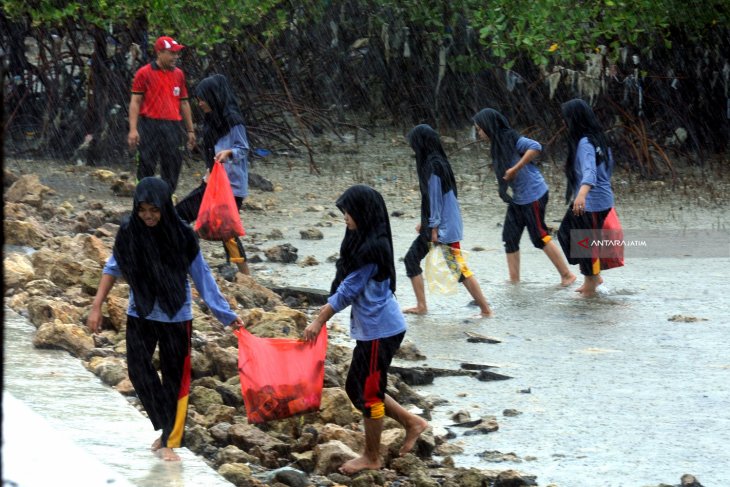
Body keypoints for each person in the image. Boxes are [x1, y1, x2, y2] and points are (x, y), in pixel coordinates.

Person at [87, 177, 244, 462]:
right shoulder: (129, 233)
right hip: (141, 311)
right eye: (142, 209)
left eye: (154, 210)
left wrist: (226, 315)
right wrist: (96, 305)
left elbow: (203, 277)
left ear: (165, 208)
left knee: (175, 379)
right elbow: (112, 268)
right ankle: (166, 424)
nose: (148, 216)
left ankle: (171, 439)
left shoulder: (182, 236)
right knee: (137, 370)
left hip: (176, 315)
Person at [303, 185, 429, 475]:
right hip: (373, 329)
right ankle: (412, 422)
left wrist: (320, 319)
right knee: (356, 387)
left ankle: (372, 456)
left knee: (369, 393)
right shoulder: (362, 239)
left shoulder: (375, 247)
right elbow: (344, 277)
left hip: (381, 331)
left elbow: (349, 290)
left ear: (364, 212)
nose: (345, 217)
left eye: (349, 211)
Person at [473, 108, 575, 286]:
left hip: (534, 194)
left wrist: (515, 168)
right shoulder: (497, 144)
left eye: (480, 129)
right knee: (509, 237)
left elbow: (535, 147)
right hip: (520, 198)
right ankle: (514, 281)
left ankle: (567, 275)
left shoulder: (510, 137)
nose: (479, 133)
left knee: (539, 236)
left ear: (488, 126)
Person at [402, 124, 492, 317]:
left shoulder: (433, 164)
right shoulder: (436, 160)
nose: (412, 146)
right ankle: (421, 306)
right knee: (412, 259)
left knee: (458, 268)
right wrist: (425, 222)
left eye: (413, 143)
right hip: (439, 223)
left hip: (444, 226)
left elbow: (435, 196)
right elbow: (434, 197)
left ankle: (485, 309)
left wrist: (433, 227)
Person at [175, 74, 251, 275]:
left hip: (231, 187)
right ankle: (183, 262)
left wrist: (229, 153)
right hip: (213, 183)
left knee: (228, 233)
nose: (199, 103)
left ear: (214, 96)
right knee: (180, 214)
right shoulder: (211, 120)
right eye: (198, 99)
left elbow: (243, 148)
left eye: (202, 99)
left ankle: (246, 277)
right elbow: (210, 152)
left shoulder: (233, 120)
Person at [557, 98, 617, 296]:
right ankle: (592, 277)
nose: (564, 123)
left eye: (566, 119)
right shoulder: (598, 139)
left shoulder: (584, 143)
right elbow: (607, 169)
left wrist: (581, 195)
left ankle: (590, 287)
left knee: (582, 242)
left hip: (591, 202)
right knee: (570, 234)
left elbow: (590, 173)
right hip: (599, 200)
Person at [128, 36, 195, 193]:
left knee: (173, 164)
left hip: (173, 126)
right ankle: (143, 198)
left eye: (176, 53)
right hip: (149, 124)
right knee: (146, 163)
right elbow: (135, 101)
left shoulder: (179, 74)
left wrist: (190, 130)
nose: (175, 57)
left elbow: (184, 103)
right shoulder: (144, 73)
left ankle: (167, 200)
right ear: (159, 53)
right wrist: (133, 129)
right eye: (171, 53)